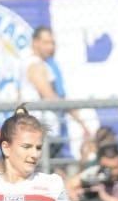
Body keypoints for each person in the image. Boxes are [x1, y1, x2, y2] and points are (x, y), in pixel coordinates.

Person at [18, 27, 89, 161]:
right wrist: (80, 121)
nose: (51, 47)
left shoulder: (41, 64)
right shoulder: (35, 65)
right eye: (46, 43)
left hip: (44, 131)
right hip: (40, 130)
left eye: (52, 43)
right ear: (35, 42)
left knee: (54, 174)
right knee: (50, 173)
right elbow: (50, 97)